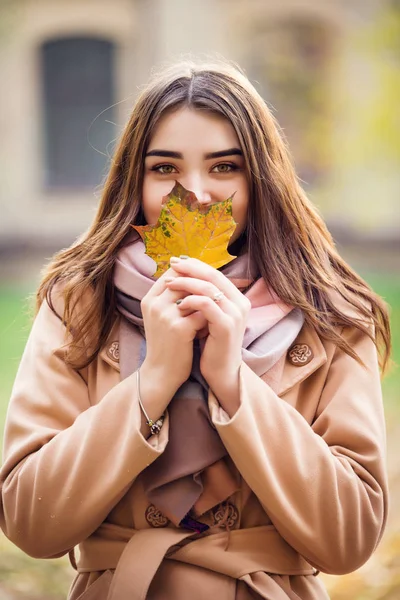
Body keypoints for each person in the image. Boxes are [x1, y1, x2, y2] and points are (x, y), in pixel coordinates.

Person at [0, 59, 391, 600]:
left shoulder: (332, 315)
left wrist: (233, 384)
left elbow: (349, 539)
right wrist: (152, 379)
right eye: (164, 169)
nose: (196, 193)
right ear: (133, 182)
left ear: (261, 177)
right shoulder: (79, 303)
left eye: (224, 166)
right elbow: (28, 520)